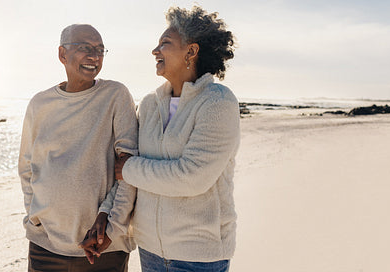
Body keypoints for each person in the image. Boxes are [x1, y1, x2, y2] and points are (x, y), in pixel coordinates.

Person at [114, 6, 240, 272]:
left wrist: (128, 169)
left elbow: (192, 177)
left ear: (191, 52)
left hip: (198, 257)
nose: (155, 50)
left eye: (165, 43)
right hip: (149, 251)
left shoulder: (217, 102)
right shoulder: (149, 104)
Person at [18, 24, 138, 272]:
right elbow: (27, 167)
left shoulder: (116, 95)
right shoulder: (39, 104)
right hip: (45, 246)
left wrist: (112, 228)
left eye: (100, 50)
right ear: (63, 54)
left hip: (103, 247)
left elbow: (130, 170)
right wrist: (35, 216)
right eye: (85, 48)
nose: (94, 56)